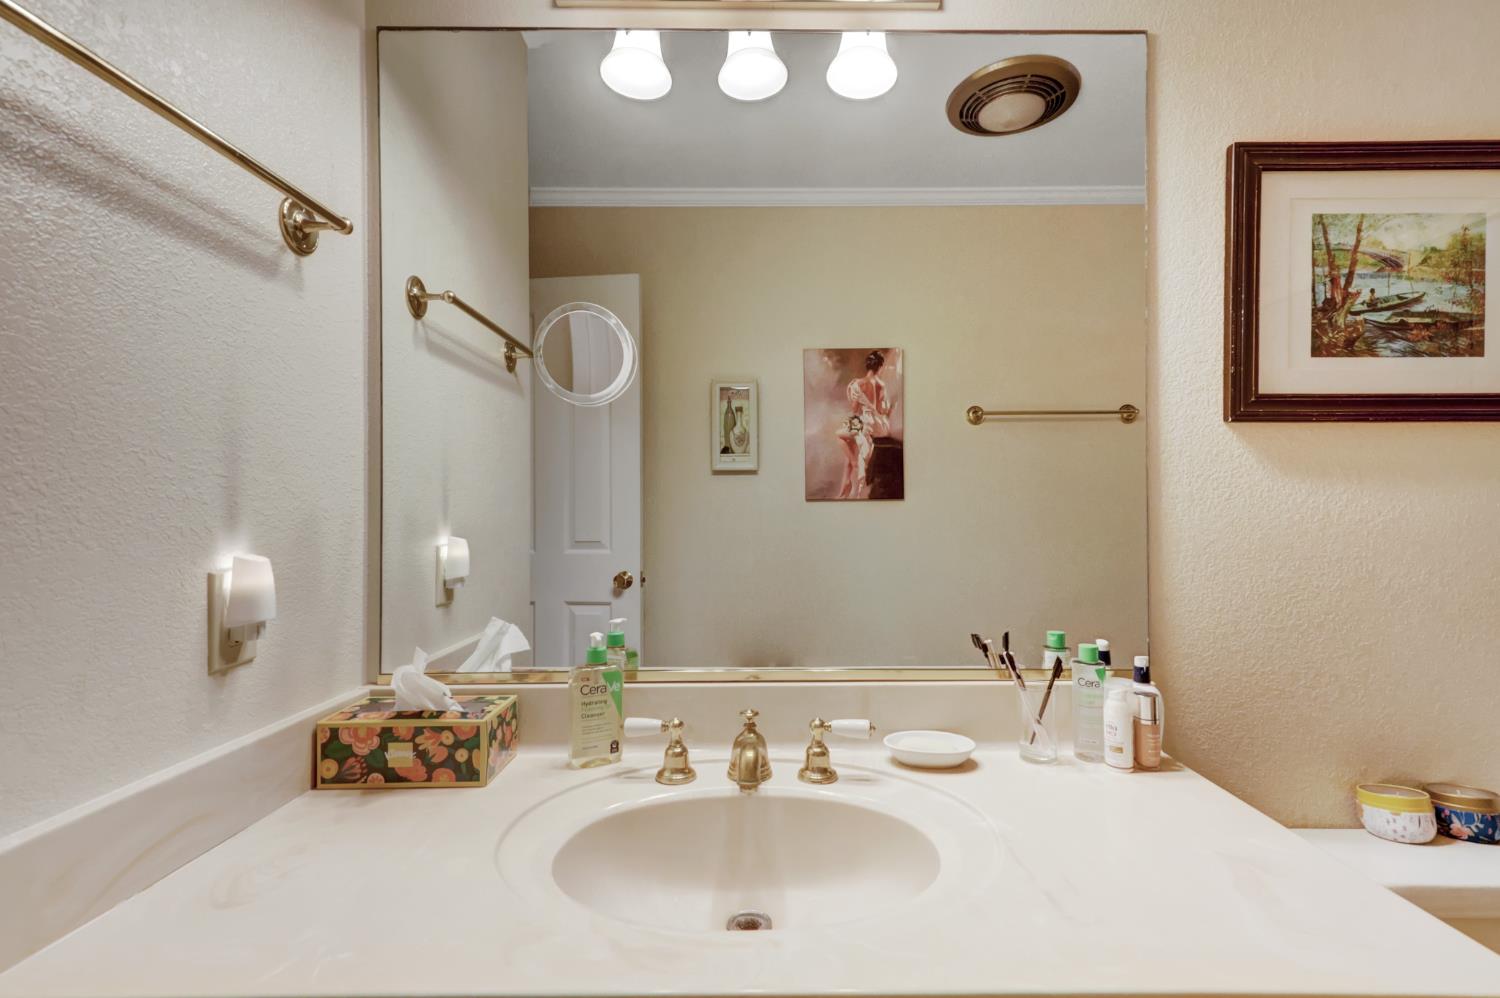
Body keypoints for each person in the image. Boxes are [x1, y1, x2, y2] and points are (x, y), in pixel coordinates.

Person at [834, 350, 893, 500]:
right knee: (853, 440)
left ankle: (854, 465)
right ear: (879, 367)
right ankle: (847, 485)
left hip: (865, 422)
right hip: (879, 425)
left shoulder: (858, 384)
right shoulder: (881, 385)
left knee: (839, 435)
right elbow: (881, 409)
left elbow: (854, 409)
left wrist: (858, 404)